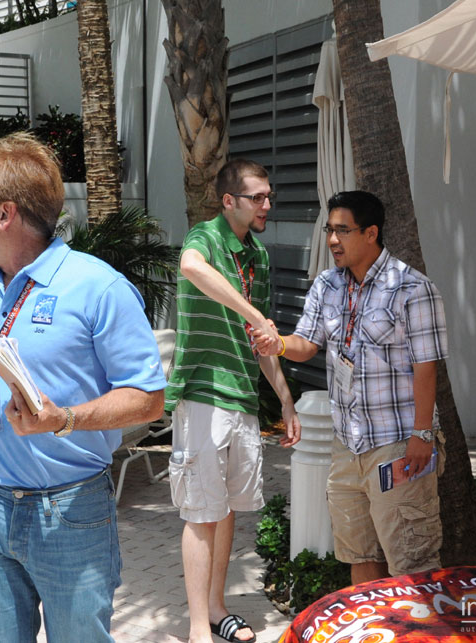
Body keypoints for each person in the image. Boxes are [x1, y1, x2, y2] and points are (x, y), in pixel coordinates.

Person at [0, 132, 166, 643]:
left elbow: (148, 398)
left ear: (6, 215)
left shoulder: (99, 288)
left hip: (69, 512)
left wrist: (64, 419)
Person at [256, 190, 448, 586]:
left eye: (343, 230)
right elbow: (307, 344)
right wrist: (278, 343)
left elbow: (426, 369)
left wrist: (422, 435)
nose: (332, 240)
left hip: (397, 445)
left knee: (413, 563)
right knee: (359, 555)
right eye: (330, 229)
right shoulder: (327, 284)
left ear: (372, 233)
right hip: (347, 445)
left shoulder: (412, 288)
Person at [165, 158, 301, 643]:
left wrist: (284, 401)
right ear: (229, 201)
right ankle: (199, 629)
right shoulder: (205, 236)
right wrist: (254, 313)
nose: (267, 204)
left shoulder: (258, 256)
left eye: (269, 196)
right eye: (257, 197)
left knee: (224, 510)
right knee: (202, 512)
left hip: (242, 396)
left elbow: (260, 340)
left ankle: (218, 609)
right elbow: (190, 267)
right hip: (202, 391)